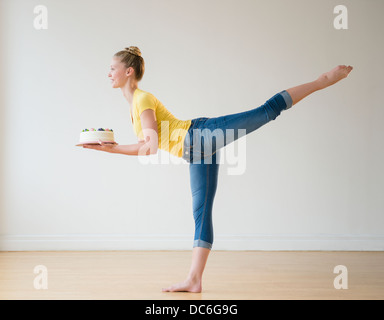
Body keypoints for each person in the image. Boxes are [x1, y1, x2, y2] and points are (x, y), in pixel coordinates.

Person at [83, 46, 353, 293]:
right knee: (200, 213)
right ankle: (194, 279)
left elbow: (150, 147)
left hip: (201, 135)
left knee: (266, 112)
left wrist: (110, 149)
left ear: (128, 71)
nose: (108, 73)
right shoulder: (134, 103)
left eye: (112, 68)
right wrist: (110, 146)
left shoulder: (141, 99)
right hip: (195, 152)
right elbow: (148, 144)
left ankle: (323, 80)